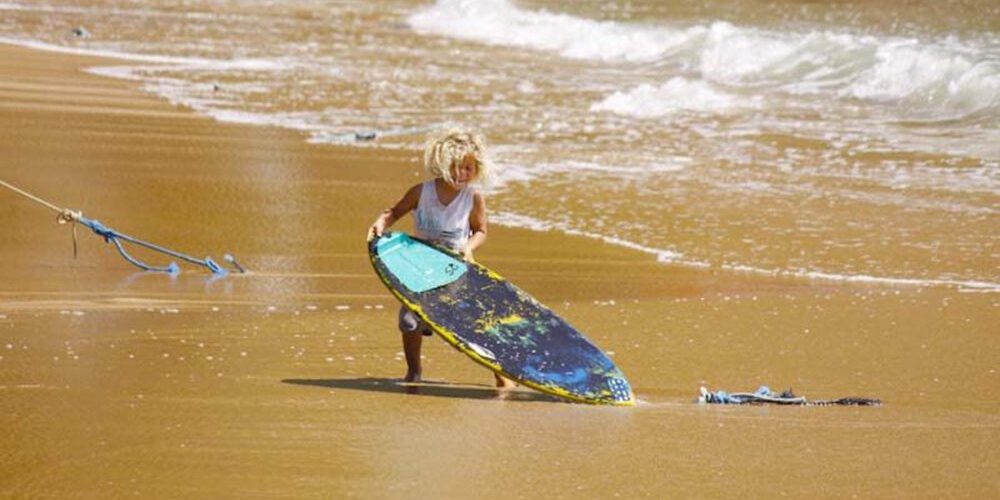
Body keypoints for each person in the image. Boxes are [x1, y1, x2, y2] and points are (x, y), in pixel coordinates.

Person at [367, 129, 514, 388]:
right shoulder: (421, 192)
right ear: (442, 165)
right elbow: (394, 212)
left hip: (453, 269)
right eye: (455, 167)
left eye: (468, 168)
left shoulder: (473, 197)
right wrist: (380, 223)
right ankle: (414, 371)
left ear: (476, 169)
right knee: (409, 322)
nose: (461, 174)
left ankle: (501, 376)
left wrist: (469, 248)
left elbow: (481, 231)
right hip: (418, 268)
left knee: (466, 326)